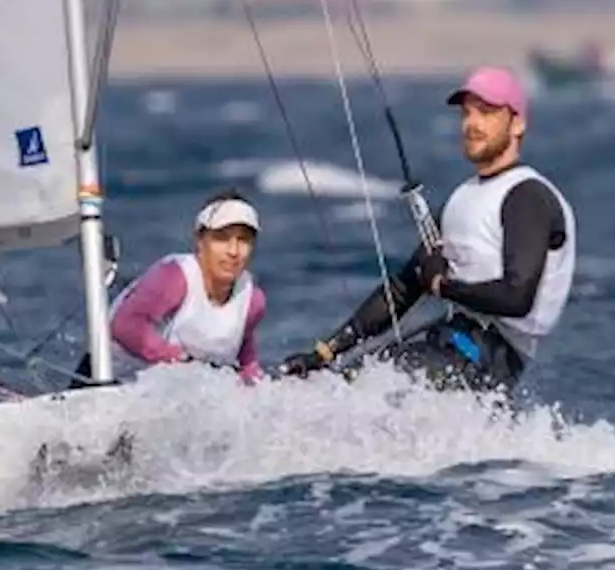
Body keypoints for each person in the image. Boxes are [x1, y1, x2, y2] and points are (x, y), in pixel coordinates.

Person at [280, 66, 576, 393]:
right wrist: (325, 352)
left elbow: (516, 296)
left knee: (358, 399)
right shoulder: (461, 199)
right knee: (328, 389)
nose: (472, 124)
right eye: (467, 113)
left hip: (491, 356)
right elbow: (404, 287)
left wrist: (442, 285)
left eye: (487, 112)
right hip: (449, 341)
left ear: (517, 122)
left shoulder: (527, 195)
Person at [70, 188, 267, 388]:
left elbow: (245, 356)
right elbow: (126, 327)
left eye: (243, 240)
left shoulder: (252, 300)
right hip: (103, 380)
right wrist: (183, 363)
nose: (233, 251)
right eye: (222, 238)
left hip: (170, 393)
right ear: (200, 241)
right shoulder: (175, 277)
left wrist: (261, 387)